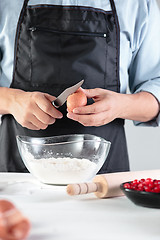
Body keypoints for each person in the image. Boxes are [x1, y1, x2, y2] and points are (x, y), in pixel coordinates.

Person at [0, 0, 159, 173]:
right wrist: (12, 101)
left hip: (101, 176)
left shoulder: (136, 4)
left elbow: (155, 91)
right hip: (19, 172)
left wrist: (120, 107)